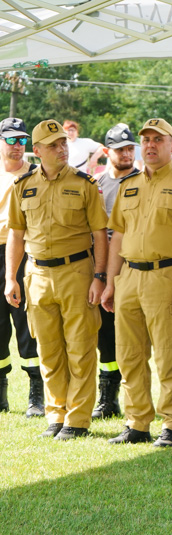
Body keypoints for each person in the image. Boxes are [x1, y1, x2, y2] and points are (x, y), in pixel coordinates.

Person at [101, 118, 172, 448]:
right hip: (129, 277)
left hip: (166, 276)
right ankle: (137, 422)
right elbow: (117, 236)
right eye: (145, 140)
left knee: (168, 355)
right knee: (130, 355)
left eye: (158, 140)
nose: (150, 145)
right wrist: (110, 282)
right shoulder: (129, 185)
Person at [5, 119, 108, 440]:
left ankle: (77, 419)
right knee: (48, 349)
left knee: (80, 348)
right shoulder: (23, 186)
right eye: (53, 145)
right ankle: (56, 413)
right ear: (37, 151)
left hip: (76, 272)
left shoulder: (85, 184)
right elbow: (16, 235)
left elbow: (100, 235)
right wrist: (11, 277)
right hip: (37, 275)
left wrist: (100, 277)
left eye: (63, 143)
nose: (61, 149)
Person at [91, 123, 139, 419]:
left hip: (133, 267)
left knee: (134, 338)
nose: (126, 153)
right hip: (101, 268)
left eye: (130, 148)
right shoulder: (95, 184)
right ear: (107, 151)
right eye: (120, 149)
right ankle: (108, 398)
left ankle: (138, 400)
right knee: (105, 337)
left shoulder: (142, 180)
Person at [0, 118, 44, 417]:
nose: (17, 147)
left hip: (21, 251)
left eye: (22, 141)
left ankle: (36, 395)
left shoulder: (35, 175)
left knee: (27, 326)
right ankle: (1, 393)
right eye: (11, 140)